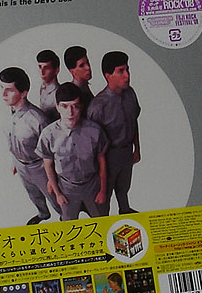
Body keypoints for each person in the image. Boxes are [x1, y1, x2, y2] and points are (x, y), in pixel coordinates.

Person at [36, 82, 108, 221]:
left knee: (101, 220)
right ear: (57, 107)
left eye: (75, 106)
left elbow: (102, 163)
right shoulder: (48, 134)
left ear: (81, 107)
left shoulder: (95, 131)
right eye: (64, 106)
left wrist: (102, 191)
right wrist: (58, 193)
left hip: (92, 186)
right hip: (66, 188)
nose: (70, 112)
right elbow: (48, 165)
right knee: (68, 222)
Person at [0, 67, 61, 225]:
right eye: (2, 88)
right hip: (21, 165)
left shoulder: (38, 119)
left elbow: (52, 149)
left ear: (23, 93)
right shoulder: (10, 113)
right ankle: (43, 214)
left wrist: (51, 177)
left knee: (54, 197)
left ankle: (65, 217)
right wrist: (15, 161)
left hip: (39, 167)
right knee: (33, 194)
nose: (3, 94)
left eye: (9, 90)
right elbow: (12, 139)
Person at [88, 51, 141, 215]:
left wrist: (137, 149)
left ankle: (125, 210)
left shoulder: (130, 94)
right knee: (105, 193)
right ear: (108, 76)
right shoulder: (98, 106)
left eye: (127, 69)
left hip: (126, 152)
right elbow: (91, 142)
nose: (127, 75)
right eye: (121, 71)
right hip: (108, 157)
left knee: (124, 186)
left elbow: (134, 121)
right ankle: (103, 219)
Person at [64, 46, 94, 115]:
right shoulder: (74, 95)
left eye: (87, 62)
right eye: (81, 65)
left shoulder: (84, 86)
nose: (88, 67)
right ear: (72, 72)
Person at [36, 49, 60, 123]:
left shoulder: (58, 93)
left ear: (56, 70)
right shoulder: (43, 87)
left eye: (46, 68)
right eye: (40, 67)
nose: (42, 72)